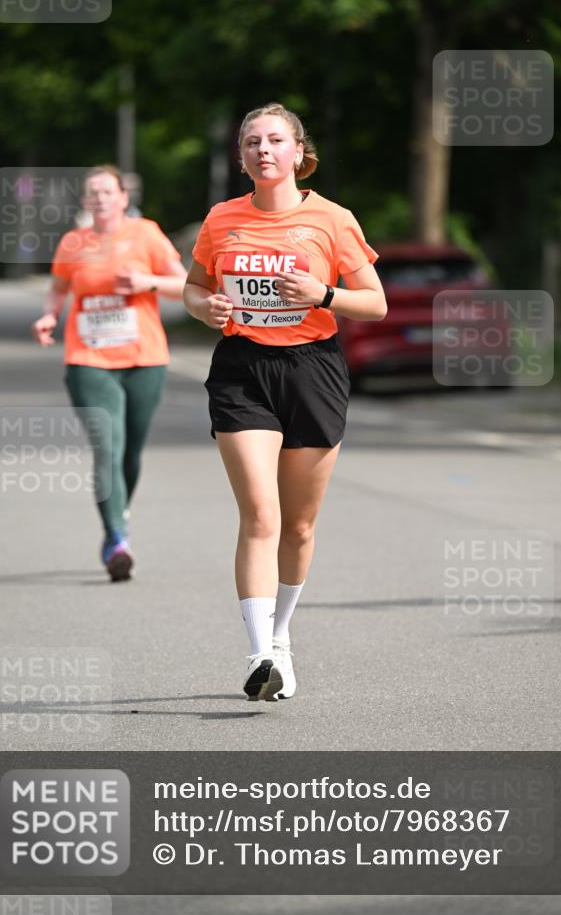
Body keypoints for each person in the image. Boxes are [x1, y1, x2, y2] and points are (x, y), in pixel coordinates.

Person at [183, 103, 387, 700]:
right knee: (261, 515)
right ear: (241, 156)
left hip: (312, 371)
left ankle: (282, 638)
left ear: (299, 152)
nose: (263, 150)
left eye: (275, 140)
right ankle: (258, 654)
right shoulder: (222, 219)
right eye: (252, 142)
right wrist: (206, 308)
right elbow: (195, 287)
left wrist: (323, 292)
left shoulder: (331, 218)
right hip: (242, 369)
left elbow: (374, 303)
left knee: (297, 526)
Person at [32, 165, 188, 581]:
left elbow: (186, 286)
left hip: (145, 358)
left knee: (131, 451)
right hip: (89, 359)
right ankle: (116, 538)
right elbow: (59, 289)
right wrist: (49, 315)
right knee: (108, 447)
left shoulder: (146, 234)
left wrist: (146, 281)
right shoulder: (73, 242)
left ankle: (120, 512)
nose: (99, 198)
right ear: (86, 202)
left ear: (123, 197)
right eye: (92, 192)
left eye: (107, 191)